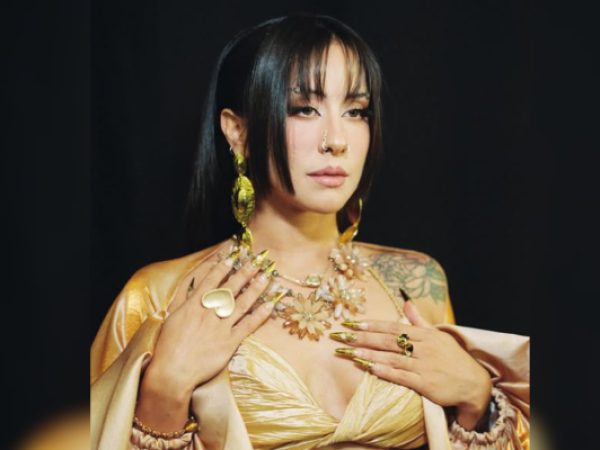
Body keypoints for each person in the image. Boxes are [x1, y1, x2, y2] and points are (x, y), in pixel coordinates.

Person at [91, 14, 529, 450]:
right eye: (304, 108)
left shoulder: (417, 281)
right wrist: (164, 391)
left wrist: (477, 400)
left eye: (356, 111)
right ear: (238, 130)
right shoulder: (157, 296)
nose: (336, 140)